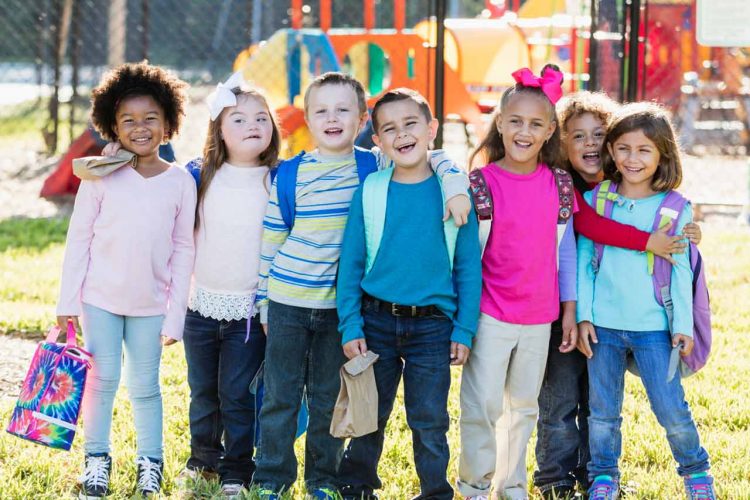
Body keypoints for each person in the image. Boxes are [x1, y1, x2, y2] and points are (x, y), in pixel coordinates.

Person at [252, 72, 471, 499]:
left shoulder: (374, 164)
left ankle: (323, 479)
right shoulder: (291, 174)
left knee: (331, 396)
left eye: (343, 110)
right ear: (307, 119)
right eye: (321, 111)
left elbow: (433, 154)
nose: (332, 118)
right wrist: (263, 300)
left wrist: (456, 183)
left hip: (341, 307)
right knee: (279, 395)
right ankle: (271, 479)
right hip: (288, 300)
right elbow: (271, 240)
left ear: (361, 120)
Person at [534, 92, 702, 499]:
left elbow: (677, 257)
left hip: (636, 322)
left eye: (599, 135)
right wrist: (585, 314)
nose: (591, 144)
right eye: (579, 136)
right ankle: (574, 478)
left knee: (634, 407)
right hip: (579, 317)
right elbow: (590, 244)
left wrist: (686, 241)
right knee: (575, 403)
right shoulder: (576, 191)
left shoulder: (656, 200)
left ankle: (673, 475)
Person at [55, 61, 195, 499]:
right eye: (128, 120)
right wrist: (67, 302)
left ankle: (149, 465)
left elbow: (183, 250)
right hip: (99, 299)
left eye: (150, 118)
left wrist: (175, 319)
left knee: (146, 387)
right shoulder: (101, 178)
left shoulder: (180, 183)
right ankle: (96, 460)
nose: (140, 128)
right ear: (111, 126)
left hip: (150, 305)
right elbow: (79, 239)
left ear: (168, 123)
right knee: (102, 380)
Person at [335, 88, 482, 500]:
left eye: (411, 123)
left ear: (432, 129)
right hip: (376, 320)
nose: (402, 134)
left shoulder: (454, 193)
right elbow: (351, 264)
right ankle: (356, 485)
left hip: (434, 327)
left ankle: (436, 491)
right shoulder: (371, 191)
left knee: (429, 417)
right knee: (370, 413)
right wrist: (351, 324)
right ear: (377, 141)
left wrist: (464, 329)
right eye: (389, 129)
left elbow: (469, 269)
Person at [576, 102, 715, 500]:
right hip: (602, 326)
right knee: (602, 413)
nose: (632, 159)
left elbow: (682, 270)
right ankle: (603, 477)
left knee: (671, 408)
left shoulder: (674, 207)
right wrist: (584, 316)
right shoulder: (597, 199)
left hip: (655, 327)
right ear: (611, 152)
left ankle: (696, 474)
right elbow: (586, 261)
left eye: (643, 150)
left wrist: (683, 326)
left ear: (662, 155)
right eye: (623, 148)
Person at [457, 64, 577, 500]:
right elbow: (467, 258)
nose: (524, 132)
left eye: (535, 124)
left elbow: (565, 252)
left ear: (549, 132)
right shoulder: (481, 184)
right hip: (490, 314)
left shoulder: (560, 185)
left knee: (523, 408)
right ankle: (472, 485)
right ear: (501, 125)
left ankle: (511, 486)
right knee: (482, 406)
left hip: (539, 317)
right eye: (516, 122)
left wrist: (569, 309)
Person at [176, 73, 281, 498]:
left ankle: (238, 468)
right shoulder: (198, 176)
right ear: (218, 129)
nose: (253, 125)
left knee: (237, 393)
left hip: (249, 312)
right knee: (202, 391)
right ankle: (202, 460)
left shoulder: (279, 179)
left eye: (261, 117)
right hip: (199, 307)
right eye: (238, 119)